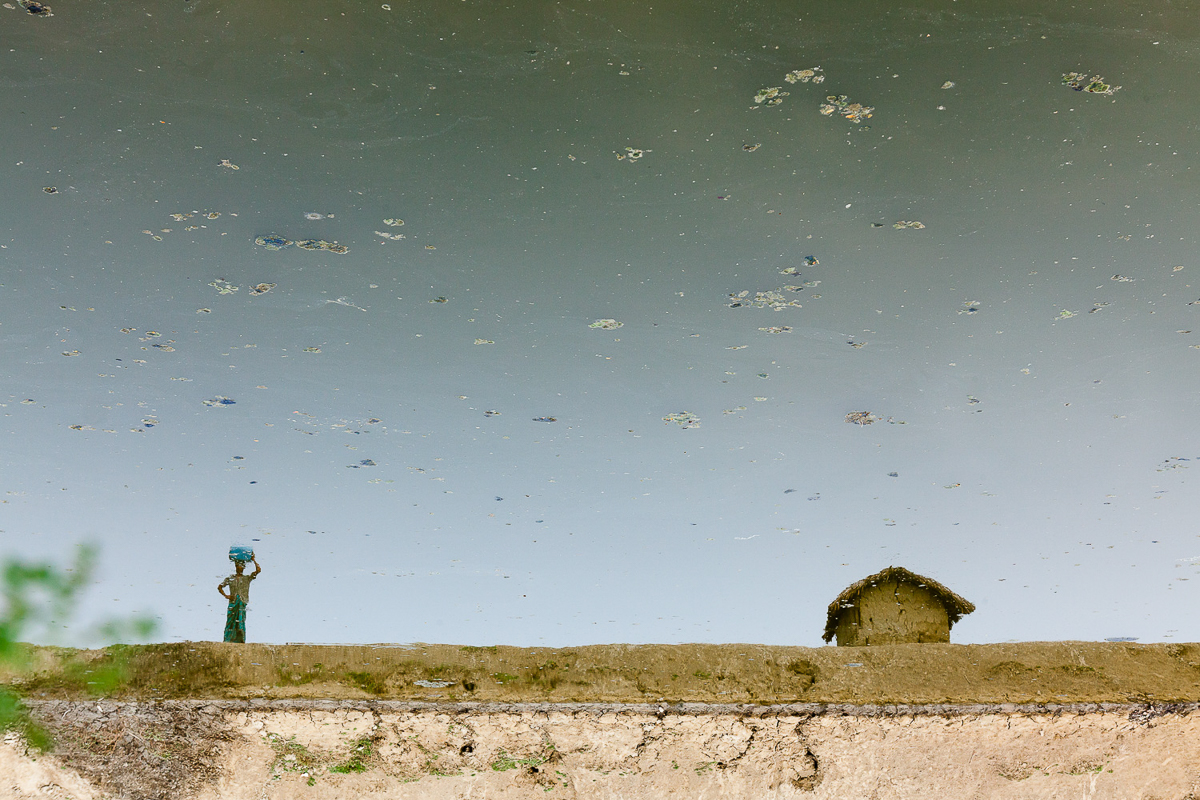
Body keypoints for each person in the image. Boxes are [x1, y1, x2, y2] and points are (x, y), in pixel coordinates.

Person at [218, 554, 261, 643]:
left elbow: (258, 570)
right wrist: (227, 596)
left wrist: (253, 560)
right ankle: (228, 640)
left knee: (240, 621)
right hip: (233, 603)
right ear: (236, 567)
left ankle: (240, 640)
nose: (239, 568)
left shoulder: (247, 578)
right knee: (230, 622)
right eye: (238, 566)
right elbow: (220, 587)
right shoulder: (230, 578)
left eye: (241, 566)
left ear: (244, 568)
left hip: (242, 602)